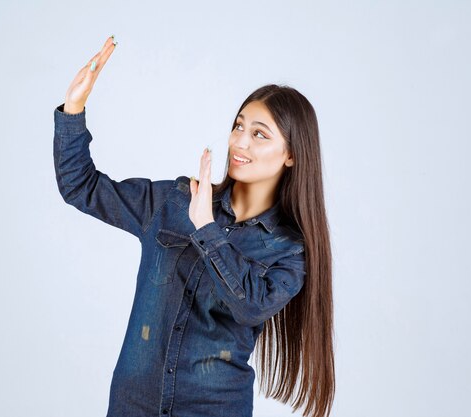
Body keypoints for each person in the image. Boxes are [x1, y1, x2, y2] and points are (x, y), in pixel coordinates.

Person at [53, 35, 335, 417]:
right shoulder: (174, 202)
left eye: (259, 134)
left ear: (291, 156)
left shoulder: (289, 251)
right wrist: (74, 109)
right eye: (239, 126)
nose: (240, 141)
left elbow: (249, 306)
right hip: (133, 405)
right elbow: (81, 188)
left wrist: (206, 228)